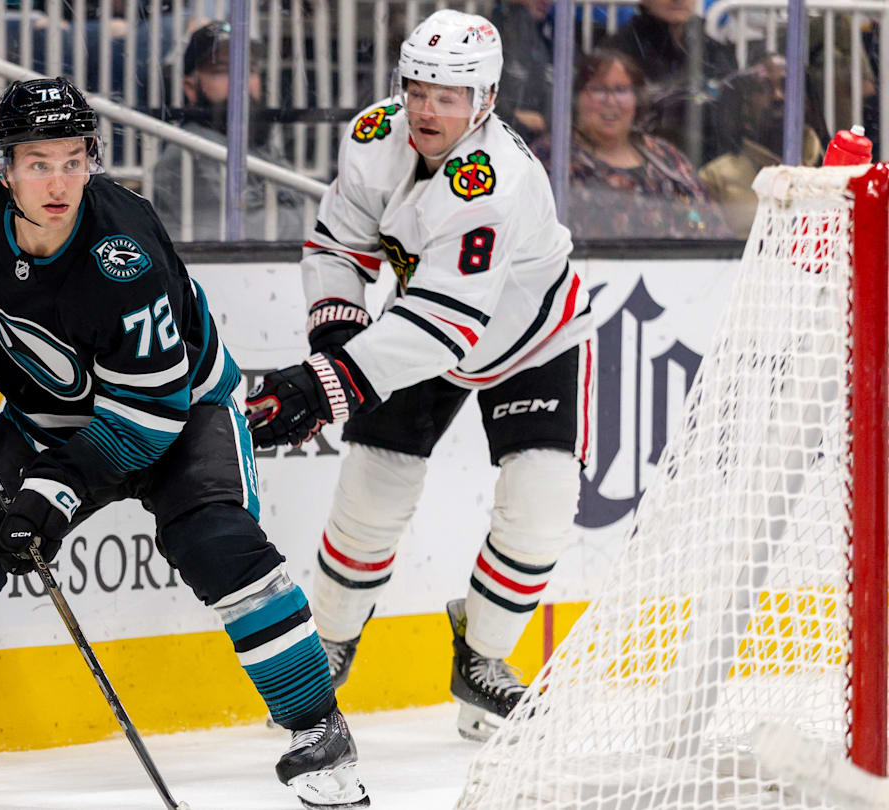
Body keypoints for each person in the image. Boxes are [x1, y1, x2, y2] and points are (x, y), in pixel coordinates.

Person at [0, 76, 371, 809]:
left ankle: (319, 729)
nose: (58, 181)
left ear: (93, 158)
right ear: (3, 169)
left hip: (180, 413)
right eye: (37, 162)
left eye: (73, 159)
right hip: (46, 415)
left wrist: (51, 494)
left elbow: (148, 417)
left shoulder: (124, 255)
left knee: (218, 543)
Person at [243, 9, 591, 744]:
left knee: (541, 505)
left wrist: (326, 381)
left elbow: (448, 325)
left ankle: (484, 654)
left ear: (485, 101)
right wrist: (336, 330)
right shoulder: (374, 135)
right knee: (371, 496)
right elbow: (337, 240)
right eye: (418, 88)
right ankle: (328, 642)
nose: (427, 109)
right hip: (422, 328)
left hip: (531, 338)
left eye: (449, 95)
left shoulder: (495, 180)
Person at [532, 49, 729, 240]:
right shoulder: (552, 157)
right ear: (575, 98)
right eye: (598, 90)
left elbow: (713, 227)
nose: (611, 101)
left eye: (621, 90)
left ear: (637, 99)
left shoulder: (666, 157)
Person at [151, 21, 305, 242]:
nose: (240, 82)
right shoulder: (185, 156)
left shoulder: (259, 146)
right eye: (222, 70)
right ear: (190, 87)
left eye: (249, 69)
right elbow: (248, 232)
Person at [700, 54, 824, 238]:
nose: (777, 96)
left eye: (787, 86)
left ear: (807, 102)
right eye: (762, 88)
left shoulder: (838, 172)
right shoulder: (715, 178)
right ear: (745, 105)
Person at [604, 0, 737, 164]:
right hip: (639, 169)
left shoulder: (716, 54)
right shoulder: (619, 52)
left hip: (706, 173)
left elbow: (728, 133)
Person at [490, 0, 554, 141]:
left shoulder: (556, 36)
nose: (546, 1)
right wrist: (511, 115)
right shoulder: (490, 36)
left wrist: (549, 121)